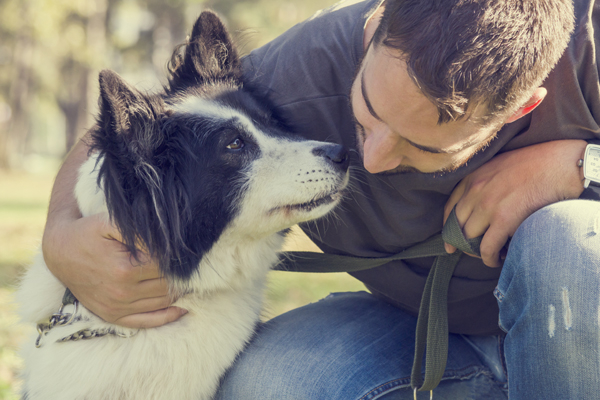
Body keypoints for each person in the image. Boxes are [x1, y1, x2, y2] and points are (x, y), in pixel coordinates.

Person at [42, 0, 600, 398]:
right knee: (263, 385)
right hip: (427, 338)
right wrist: (59, 235)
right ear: (377, 24)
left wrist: (575, 165)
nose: (373, 159)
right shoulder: (301, 65)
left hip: (581, 327)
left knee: (567, 241)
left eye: (419, 147)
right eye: (367, 113)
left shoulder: (589, 48)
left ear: (520, 108)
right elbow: (146, 123)